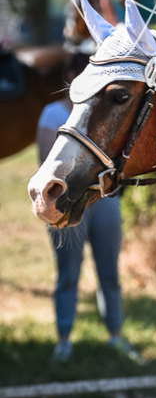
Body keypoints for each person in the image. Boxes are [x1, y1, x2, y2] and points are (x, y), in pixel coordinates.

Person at [36, 53, 139, 362]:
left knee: (110, 273)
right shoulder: (52, 114)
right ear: (69, 77)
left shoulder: (102, 113)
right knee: (68, 273)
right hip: (68, 205)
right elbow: (44, 164)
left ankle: (116, 336)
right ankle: (64, 340)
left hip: (104, 201)